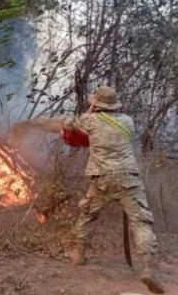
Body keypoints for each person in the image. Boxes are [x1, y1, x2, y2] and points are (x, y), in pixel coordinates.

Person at [62, 86, 164, 294]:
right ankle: (148, 267)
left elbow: (69, 126)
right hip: (129, 178)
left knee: (88, 214)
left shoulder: (89, 120)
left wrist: (89, 111)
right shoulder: (128, 121)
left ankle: (78, 254)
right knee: (141, 221)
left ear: (96, 104)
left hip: (102, 179)